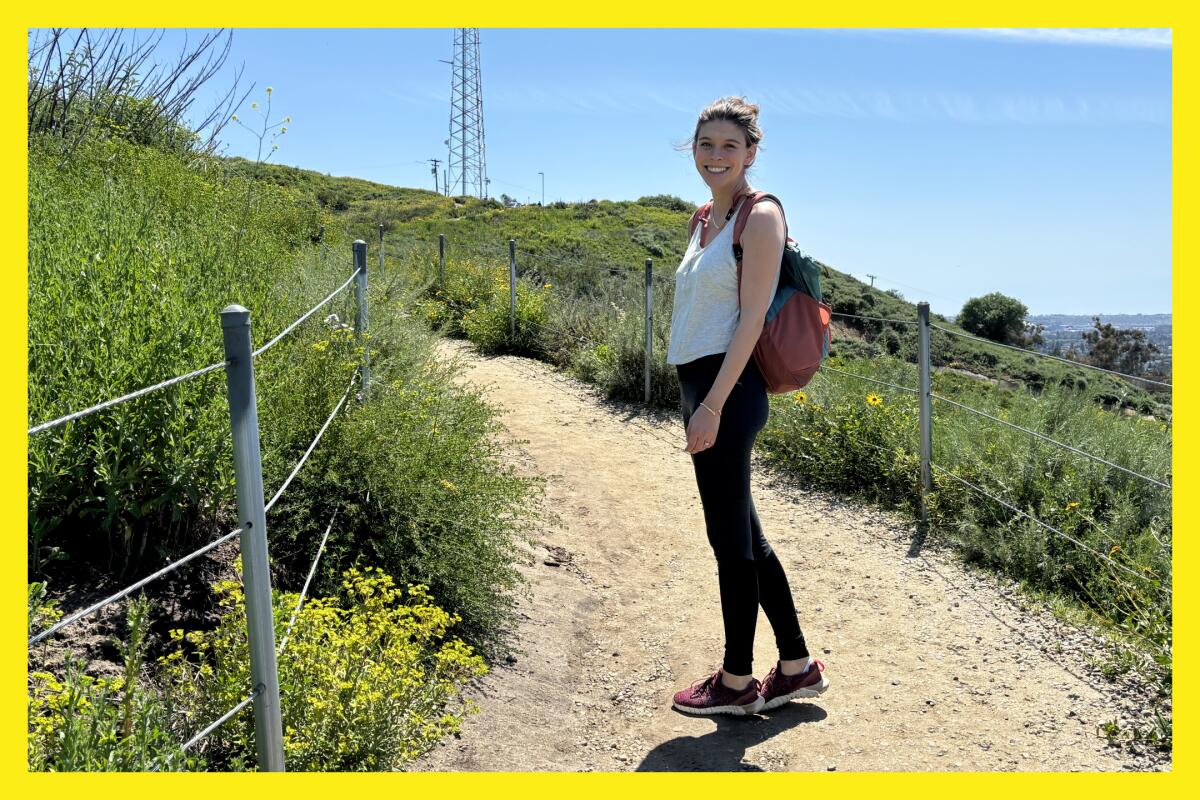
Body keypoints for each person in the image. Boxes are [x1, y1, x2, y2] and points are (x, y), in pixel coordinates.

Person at [666, 97, 829, 716]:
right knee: (748, 537)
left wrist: (710, 405)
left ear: (751, 153)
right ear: (694, 149)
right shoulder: (704, 217)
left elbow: (753, 316)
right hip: (702, 385)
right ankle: (795, 666)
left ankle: (736, 684)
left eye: (729, 146)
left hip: (726, 389)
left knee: (728, 539)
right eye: (706, 144)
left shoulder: (760, 217)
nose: (715, 156)